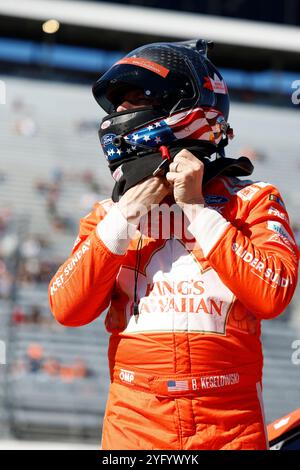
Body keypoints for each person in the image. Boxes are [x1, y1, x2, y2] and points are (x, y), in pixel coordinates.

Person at [49, 39, 299, 450]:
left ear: (183, 109)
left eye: (134, 100)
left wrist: (199, 211)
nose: (119, 116)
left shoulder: (253, 200)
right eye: (117, 105)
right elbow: (67, 309)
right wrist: (126, 216)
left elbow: (272, 296)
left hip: (230, 430)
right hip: (135, 431)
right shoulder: (106, 215)